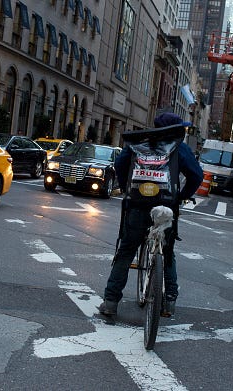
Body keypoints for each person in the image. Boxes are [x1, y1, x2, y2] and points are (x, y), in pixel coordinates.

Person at [98, 113, 203, 317]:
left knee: (126, 252)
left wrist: (128, 188)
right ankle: (169, 301)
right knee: (167, 252)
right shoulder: (178, 146)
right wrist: (181, 196)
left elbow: (119, 165)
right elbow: (196, 175)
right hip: (166, 207)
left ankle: (111, 301)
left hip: (137, 205)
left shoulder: (138, 143)